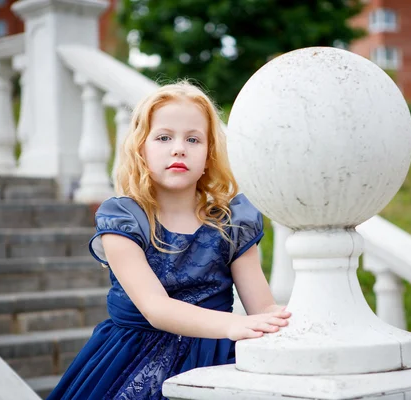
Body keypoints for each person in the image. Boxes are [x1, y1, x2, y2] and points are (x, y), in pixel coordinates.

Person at [47, 81, 291, 400]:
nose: (179, 148)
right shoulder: (122, 221)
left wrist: (287, 317)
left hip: (213, 358)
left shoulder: (232, 222)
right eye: (164, 137)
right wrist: (233, 325)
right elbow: (156, 309)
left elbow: (262, 308)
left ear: (208, 155)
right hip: (130, 360)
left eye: (193, 139)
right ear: (141, 149)